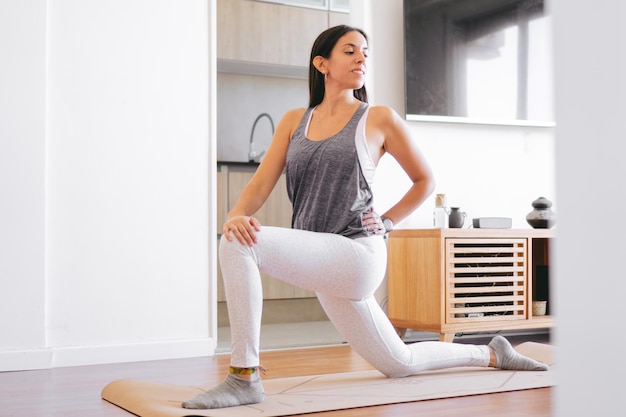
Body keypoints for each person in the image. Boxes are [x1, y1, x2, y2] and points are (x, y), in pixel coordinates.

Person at [182, 24, 548, 410]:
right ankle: (493, 353)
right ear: (321, 63)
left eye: (365, 53)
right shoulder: (294, 121)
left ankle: (244, 377)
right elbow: (259, 185)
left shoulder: (378, 118)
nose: (361, 58)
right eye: (350, 51)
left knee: (238, 245)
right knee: (399, 362)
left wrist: (388, 221)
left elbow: (425, 181)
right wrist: (235, 214)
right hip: (323, 257)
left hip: (357, 254)